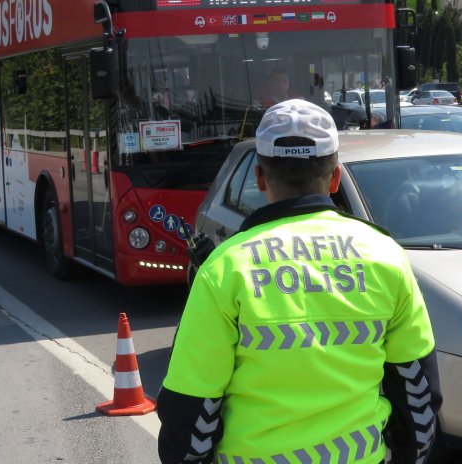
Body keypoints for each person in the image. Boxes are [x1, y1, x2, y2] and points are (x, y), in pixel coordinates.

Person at [157, 99, 440, 464]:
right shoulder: (386, 256)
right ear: (335, 176)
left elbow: (190, 407)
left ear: (259, 178)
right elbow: (418, 394)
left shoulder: (224, 268)